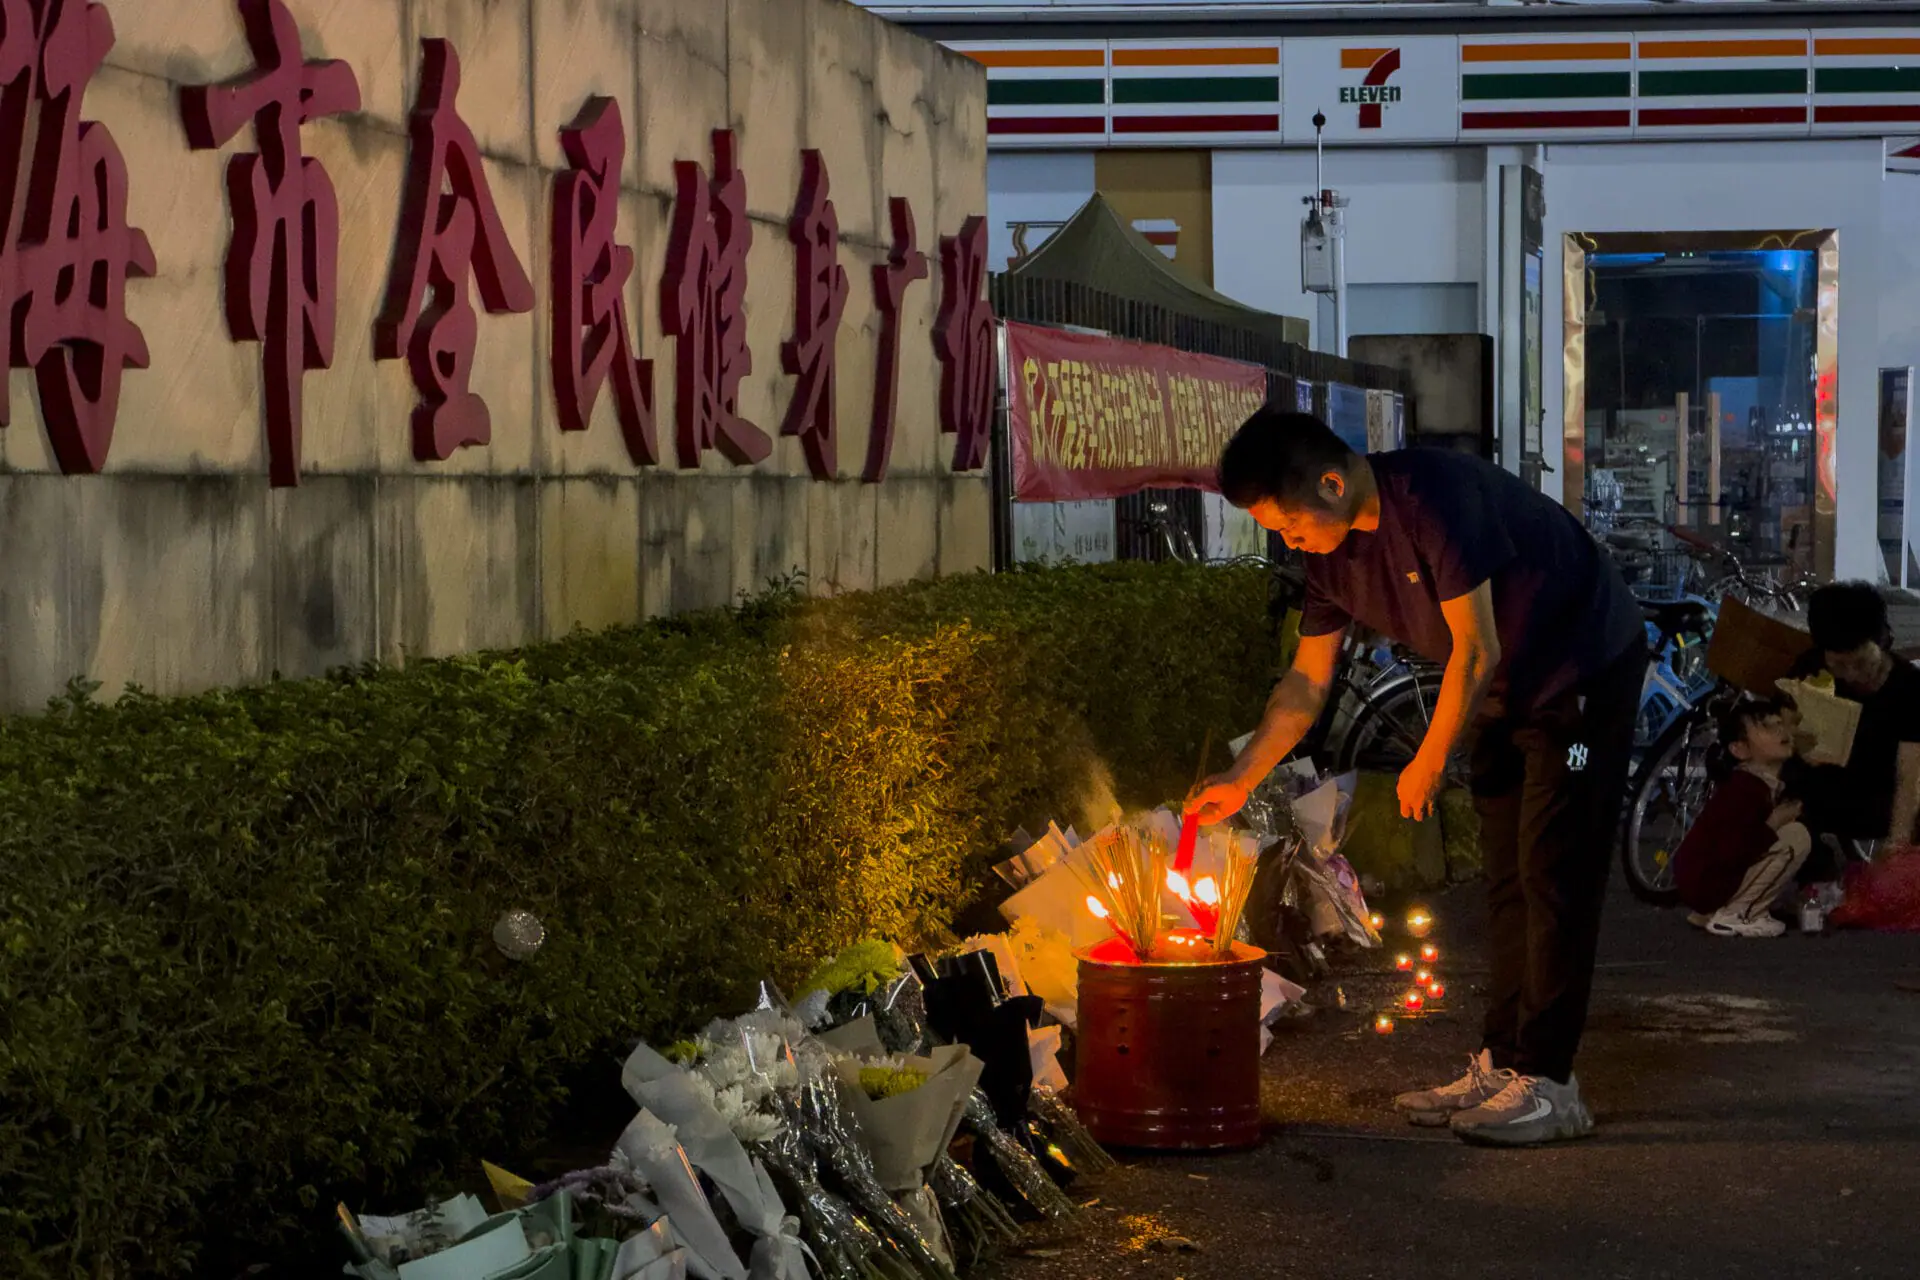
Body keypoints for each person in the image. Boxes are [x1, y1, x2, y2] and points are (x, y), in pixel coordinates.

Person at [1187, 409, 1644, 1147]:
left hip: (1581, 680)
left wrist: (1428, 760)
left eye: (1289, 523)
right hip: (1500, 695)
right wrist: (1241, 777)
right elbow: (1305, 686)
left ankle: (1553, 1084)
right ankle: (1503, 1063)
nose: (1288, 541)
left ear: (1332, 483)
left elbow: (1475, 646)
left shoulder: (1432, 497)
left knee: (1553, 871)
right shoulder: (1332, 558)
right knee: (1508, 880)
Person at [1793, 583, 1920, 850]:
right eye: (1838, 664)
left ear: (1883, 642)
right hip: (1817, 798)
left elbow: (1909, 776)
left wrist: (1897, 845)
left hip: (1878, 801)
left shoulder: (1910, 687)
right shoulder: (1811, 667)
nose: (1850, 675)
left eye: (1862, 662)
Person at [1671, 702, 1810, 938]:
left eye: (1780, 724)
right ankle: (1738, 913)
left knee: (1792, 832)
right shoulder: (1745, 789)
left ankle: (1719, 909)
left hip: (1707, 882)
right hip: (1709, 882)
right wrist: (1774, 822)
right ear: (1740, 749)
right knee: (1796, 836)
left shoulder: (1760, 785)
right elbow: (1733, 851)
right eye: (1767, 727)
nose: (1781, 732)